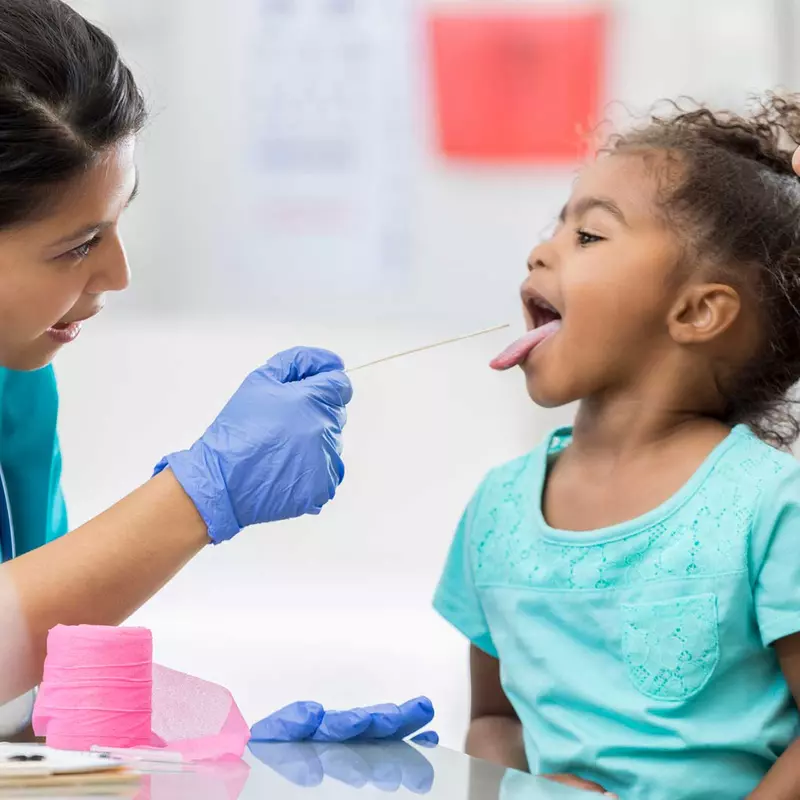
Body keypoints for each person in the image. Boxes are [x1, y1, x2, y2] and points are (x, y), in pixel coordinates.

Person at [434, 95, 800, 800]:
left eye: (590, 237)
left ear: (697, 312)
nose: (541, 250)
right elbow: (491, 718)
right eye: (556, 227)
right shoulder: (499, 511)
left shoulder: (769, 509)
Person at [0, 0, 352, 712]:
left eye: (118, 217)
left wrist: (217, 756)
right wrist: (200, 492)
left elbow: (31, 673)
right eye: (77, 245)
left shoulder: (20, 380)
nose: (118, 275)